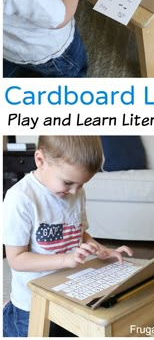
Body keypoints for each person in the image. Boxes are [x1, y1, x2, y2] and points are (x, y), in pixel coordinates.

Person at [3, 136, 133, 337]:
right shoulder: (20, 199)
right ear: (40, 160)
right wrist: (65, 259)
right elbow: (16, 259)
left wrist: (104, 251)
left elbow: (78, 233)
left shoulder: (75, 192)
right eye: (68, 183)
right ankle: (8, 315)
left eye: (81, 184)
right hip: (32, 302)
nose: (75, 191)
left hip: (68, 294)